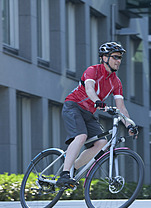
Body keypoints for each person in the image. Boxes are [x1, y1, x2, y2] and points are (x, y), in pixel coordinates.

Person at [56, 42, 138, 187]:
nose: (118, 61)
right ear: (104, 58)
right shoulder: (93, 70)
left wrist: (129, 124)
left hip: (89, 113)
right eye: (115, 57)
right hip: (73, 106)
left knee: (101, 144)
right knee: (81, 136)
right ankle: (64, 173)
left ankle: (73, 169)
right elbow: (89, 88)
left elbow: (121, 108)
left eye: (120, 58)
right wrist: (97, 101)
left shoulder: (116, 82)